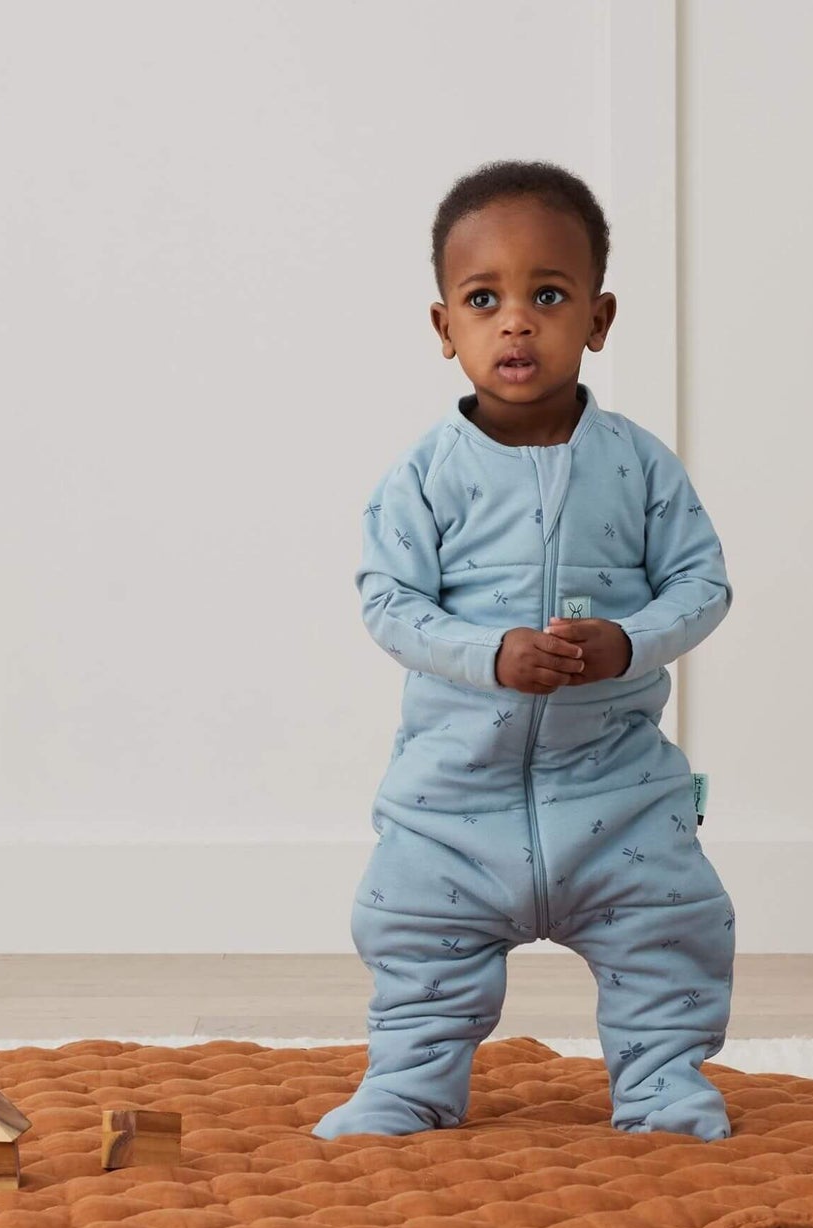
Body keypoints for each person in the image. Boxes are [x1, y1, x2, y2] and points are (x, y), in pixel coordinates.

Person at [312, 159, 736, 1142]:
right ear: (444, 326)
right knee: (410, 928)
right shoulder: (423, 477)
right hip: (452, 801)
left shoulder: (635, 465)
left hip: (614, 792)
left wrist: (627, 642)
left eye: (547, 295)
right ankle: (411, 1080)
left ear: (597, 317)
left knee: (673, 923)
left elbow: (702, 583)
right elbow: (388, 601)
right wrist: (485, 653)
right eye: (483, 298)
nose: (515, 321)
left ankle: (662, 1081)